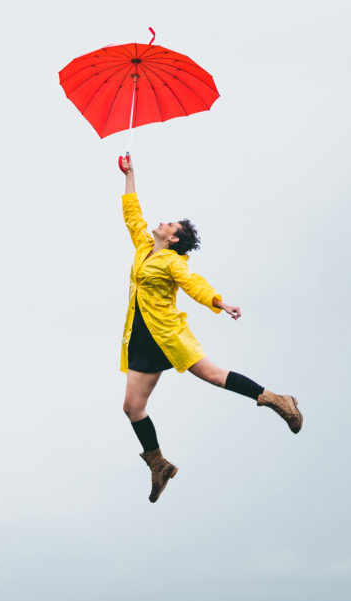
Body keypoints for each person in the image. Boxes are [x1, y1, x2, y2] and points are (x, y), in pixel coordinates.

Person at [116, 154, 303, 503]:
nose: (163, 222)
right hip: (141, 336)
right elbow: (132, 215)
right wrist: (130, 174)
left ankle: (277, 400)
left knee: (214, 376)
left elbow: (193, 284)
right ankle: (158, 465)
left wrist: (220, 302)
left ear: (173, 239)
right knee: (132, 407)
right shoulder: (144, 246)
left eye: (170, 224)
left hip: (167, 334)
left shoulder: (173, 262)